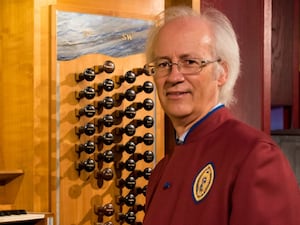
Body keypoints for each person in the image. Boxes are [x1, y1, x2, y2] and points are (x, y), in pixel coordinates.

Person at [142, 5, 300, 225]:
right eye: (163, 64)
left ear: (222, 72)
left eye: (190, 62)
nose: (174, 76)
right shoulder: (162, 170)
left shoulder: (256, 157)